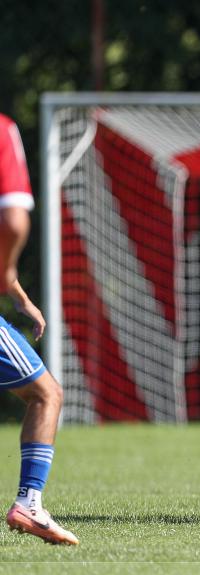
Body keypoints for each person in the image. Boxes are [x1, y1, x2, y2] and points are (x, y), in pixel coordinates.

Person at [0, 113, 78, 545]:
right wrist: (6, 270)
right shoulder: (2, 131)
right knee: (46, 393)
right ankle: (29, 503)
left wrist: (18, 295)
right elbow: (12, 221)